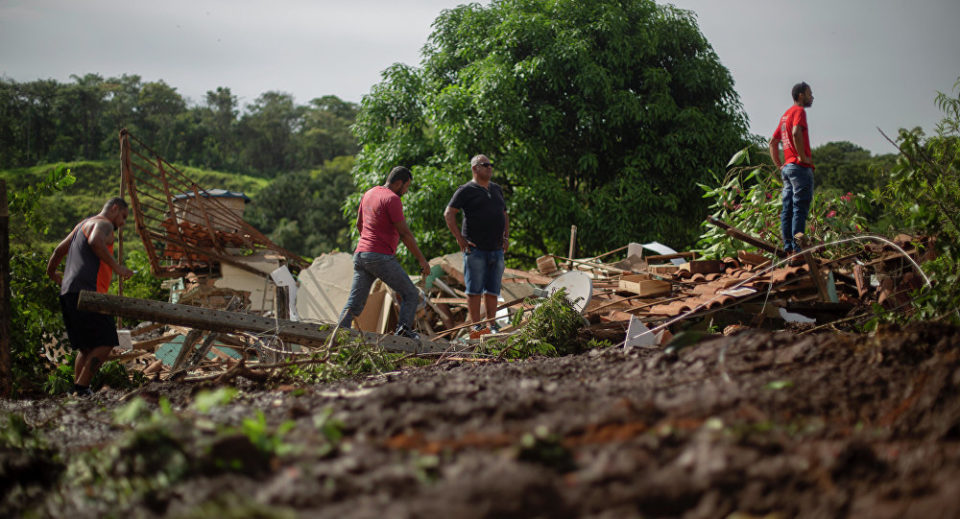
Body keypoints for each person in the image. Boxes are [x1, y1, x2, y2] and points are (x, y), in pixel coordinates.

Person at [46, 197, 135, 396]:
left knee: (86, 348)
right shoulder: (103, 224)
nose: (123, 223)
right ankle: (82, 388)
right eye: (123, 216)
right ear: (114, 208)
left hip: (69, 292)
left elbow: (59, 250)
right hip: (88, 293)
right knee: (107, 340)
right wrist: (118, 268)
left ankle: (77, 393)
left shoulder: (81, 226)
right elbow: (95, 241)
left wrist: (51, 273)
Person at [338, 166, 431, 339]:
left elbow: (360, 224)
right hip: (379, 256)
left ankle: (338, 336)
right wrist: (422, 261)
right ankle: (403, 334)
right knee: (410, 294)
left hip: (361, 255)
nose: (406, 191)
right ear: (398, 183)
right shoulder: (392, 199)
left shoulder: (369, 193)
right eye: (406, 186)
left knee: (354, 303)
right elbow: (404, 234)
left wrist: (369, 243)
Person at [444, 154, 509, 334]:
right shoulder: (465, 190)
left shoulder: (496, 189)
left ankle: (492, 324)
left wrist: (506, 238)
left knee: (493, 289)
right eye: (485, 165)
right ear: (475, 169)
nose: (489, 168)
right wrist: (460, 239)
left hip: (496, 248)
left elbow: (504, 214)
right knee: (474, 290)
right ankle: (476, 325)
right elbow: (449, 214)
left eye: (491, 164)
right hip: (476, 249)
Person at [769, 81, 815, 257]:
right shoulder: (799, 111)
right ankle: (798, 249)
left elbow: (773, 143)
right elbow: (796, 132)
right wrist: (803, 158)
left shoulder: (785, 116)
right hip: (799, 167)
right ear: (801, 95)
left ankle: (788, 247)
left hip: (788, 168)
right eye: (810, 93)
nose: (812, 97)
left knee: (787, 208)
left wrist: (780, 166)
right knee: (799, 208)